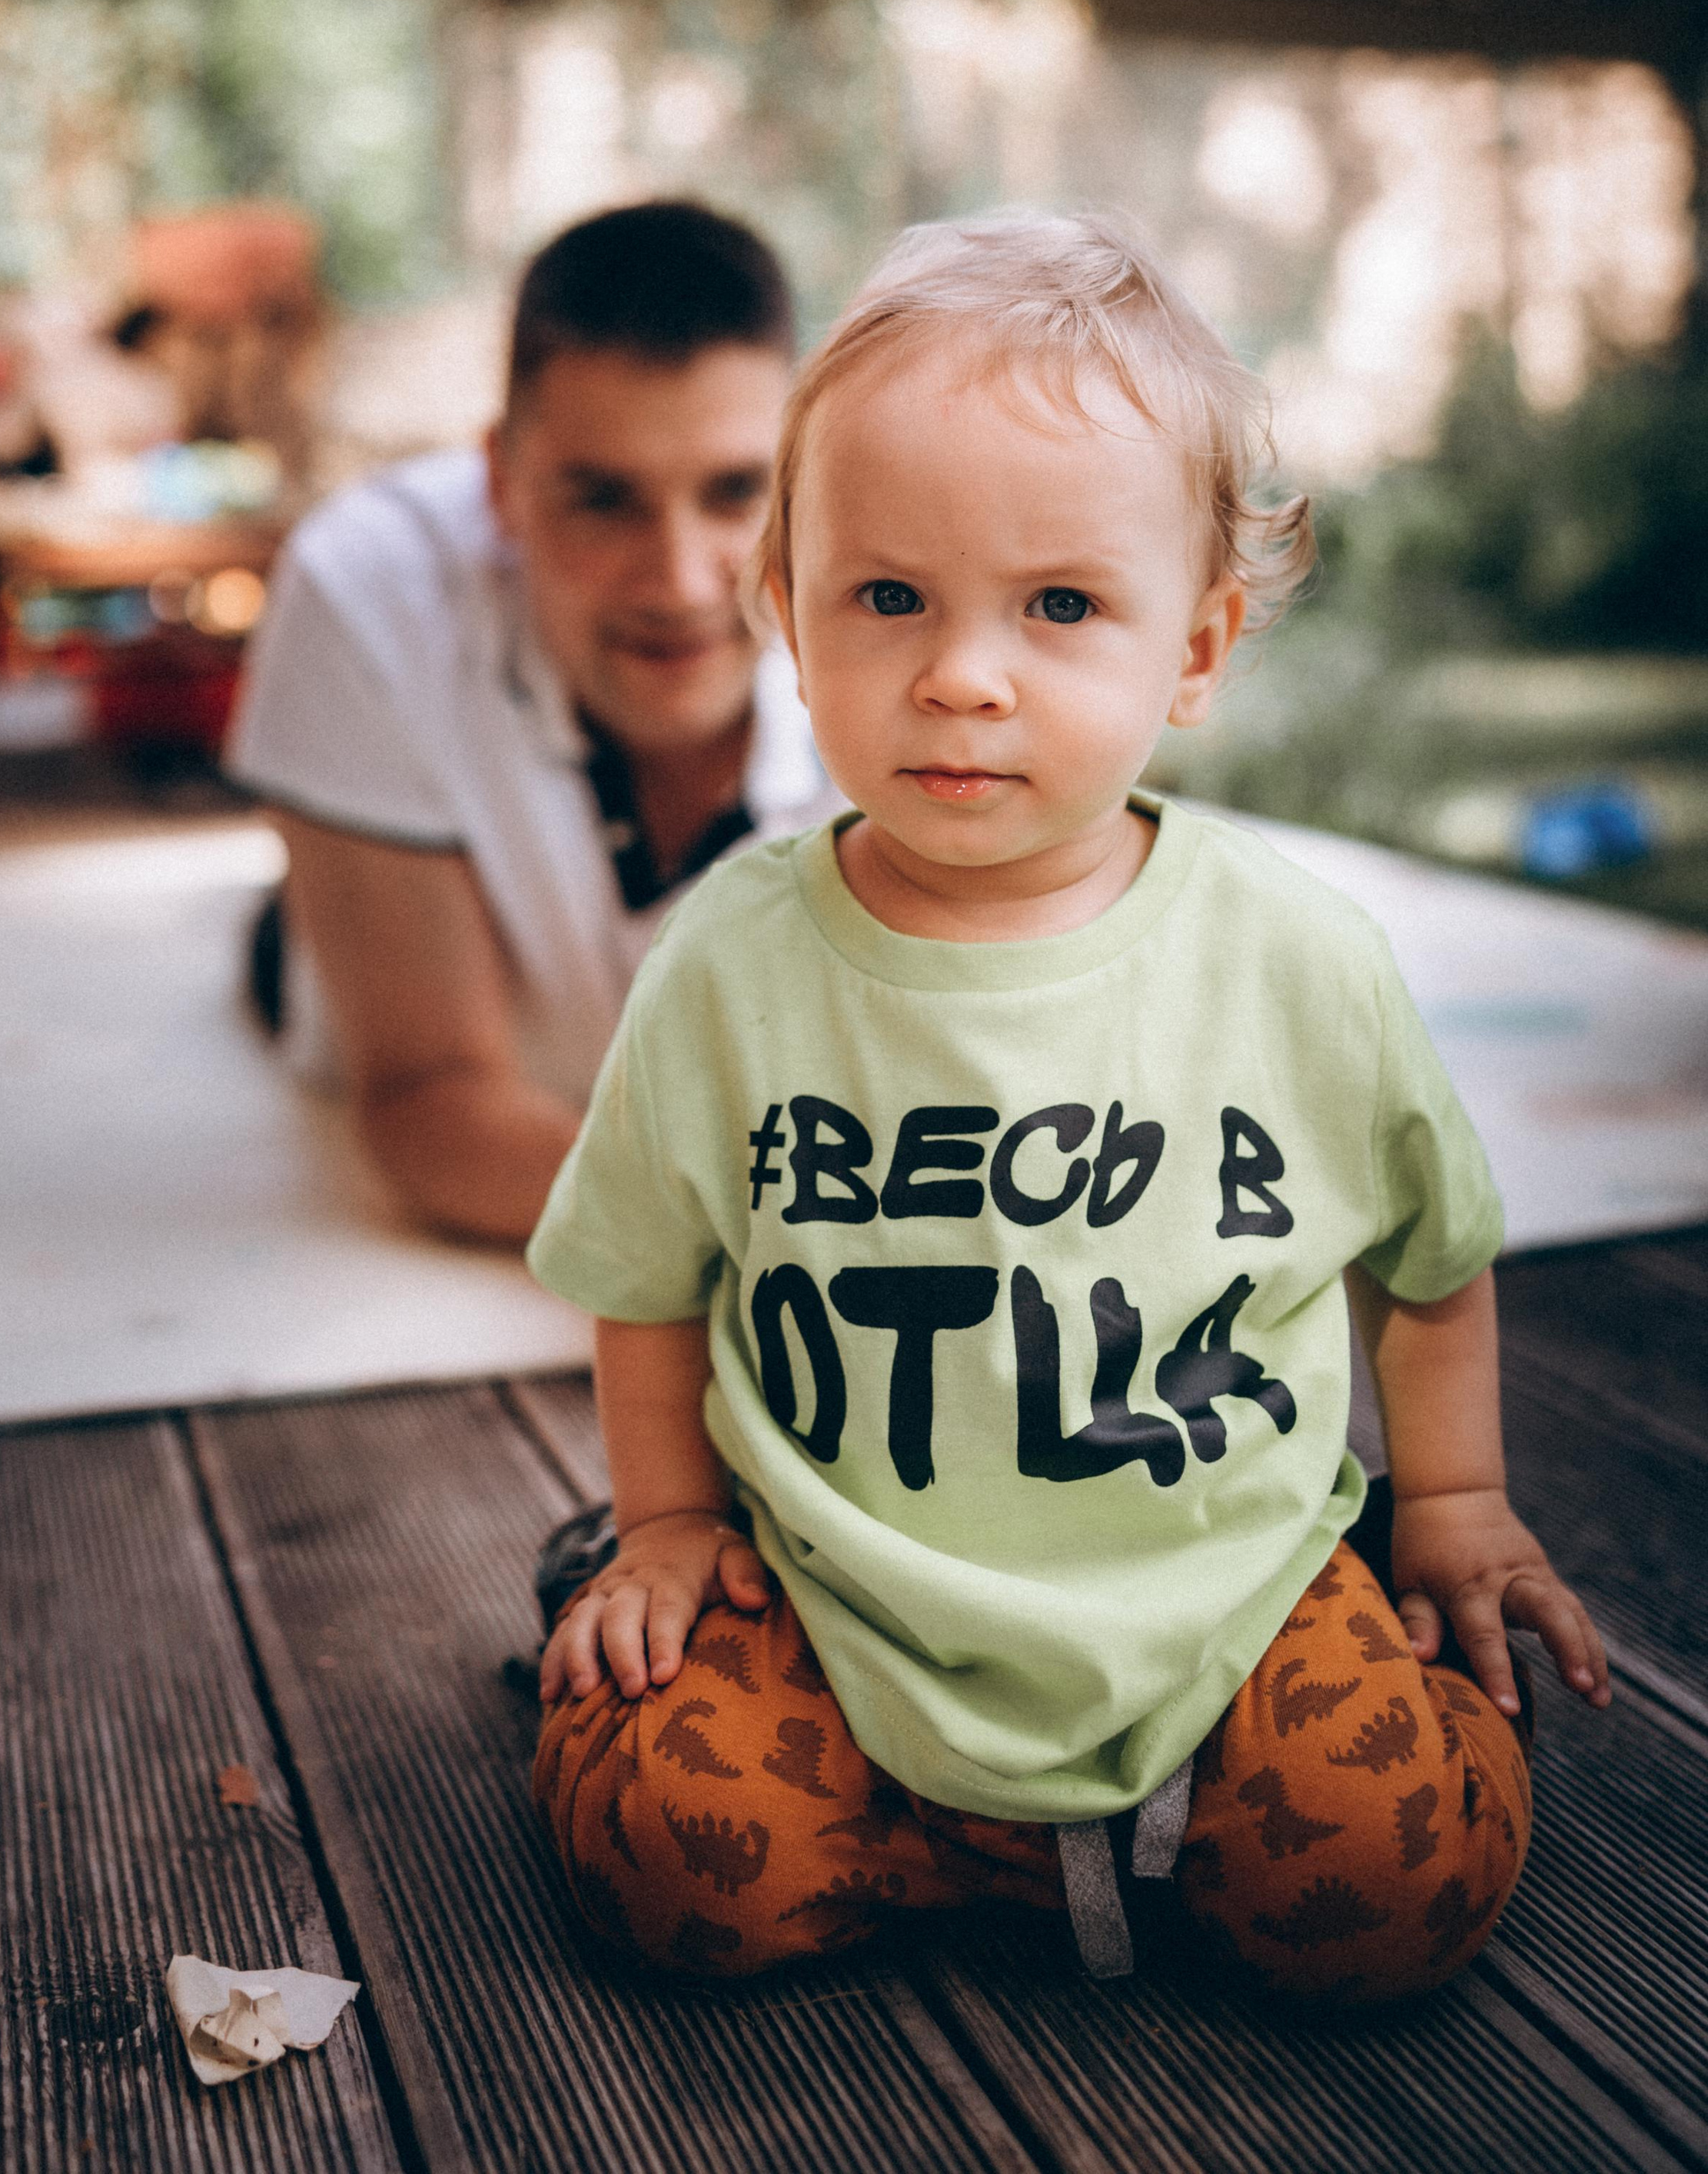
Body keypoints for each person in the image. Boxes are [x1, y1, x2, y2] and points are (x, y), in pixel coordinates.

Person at [525, 214, 1608, 1998]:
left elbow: (1429, 1251)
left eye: (1057, 606)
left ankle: (1009, 1853)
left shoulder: (1288, 959)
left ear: (1192, 648)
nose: (962, 672)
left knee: (1393, 1882)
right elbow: (640, 1273)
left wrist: (1456, 1503)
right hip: (831, 1583)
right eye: (887, 597)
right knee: (671, 1870)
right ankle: (1004, 1841)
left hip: (1224, 1585)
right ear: (785, 615)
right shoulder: (728, 963)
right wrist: (660, 1528)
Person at [226, 201, 840, 1245]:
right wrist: (788, 1254)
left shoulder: (924, 619)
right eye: (604, 500)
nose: (681, 581)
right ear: (500, 485)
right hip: (380, 975)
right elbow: (429, 1097)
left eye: (737, 493)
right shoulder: (366, 587)